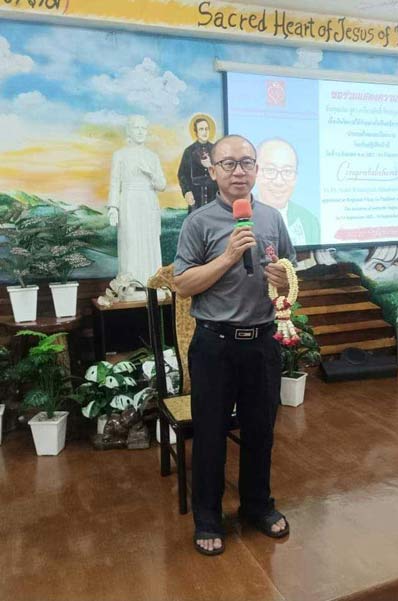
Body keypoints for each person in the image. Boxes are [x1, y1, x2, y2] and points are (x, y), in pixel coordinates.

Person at [174, 134, 296, 555]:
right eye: (228, 163)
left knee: (260, 431)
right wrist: (227, 257)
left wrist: (283, 279)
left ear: (256, 170)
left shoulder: (272, 218)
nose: (238, 171)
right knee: (210, 434)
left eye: (246, 162)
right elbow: (182, 284)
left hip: (262, 342)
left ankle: (257, 505)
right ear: (212, 171)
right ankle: (208, 517)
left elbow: (289, 271)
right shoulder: (198, 223)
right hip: (215, 345)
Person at [108, 115, 166, 289]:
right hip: (129, 201)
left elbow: (162, 185)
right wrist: (113, 207)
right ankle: (130, 282)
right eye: (136, 128)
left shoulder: (152, 156)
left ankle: (152, 282)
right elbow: (114, 182)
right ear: (129, 130)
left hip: (148, 201)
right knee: (130, 240)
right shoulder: (120, 155)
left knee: (150, 240)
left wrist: (151, 173)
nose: (140, 132)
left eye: (143, 128)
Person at [256, 138, 320, 247]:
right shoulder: (243, 218)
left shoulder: (309, 221)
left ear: (296, 177)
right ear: (255, 173)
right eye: (270, 170)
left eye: (287, 171)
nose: (279, 181)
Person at [177, 116, 218, 213]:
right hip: (196, 197)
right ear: (196, 132)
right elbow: (182, 174)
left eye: (206, 129)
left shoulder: (216, 149)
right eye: (201, 129)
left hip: (213, 195)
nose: (205, 132)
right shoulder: (189, 151)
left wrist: (210, 166)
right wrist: (186, 192)